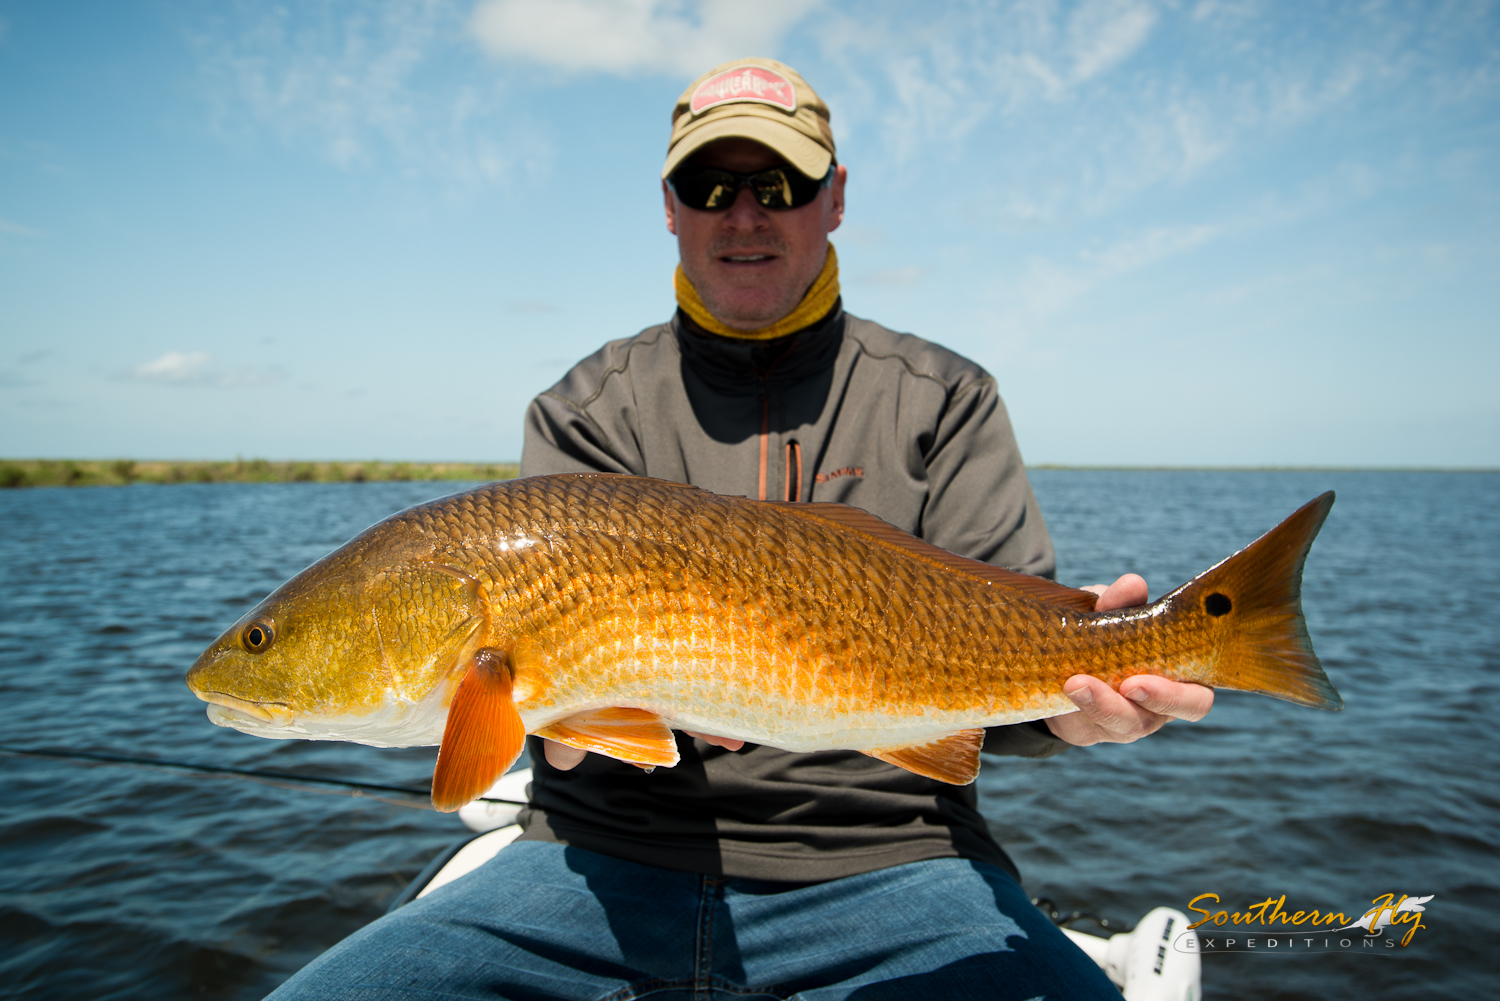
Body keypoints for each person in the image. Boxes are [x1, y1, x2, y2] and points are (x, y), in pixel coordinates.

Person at [268, 57, 1213, 1001]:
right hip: (594, 860)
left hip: (898, 858)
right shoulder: (585, 408)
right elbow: (538, 717)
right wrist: (557, 725)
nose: (744, 212)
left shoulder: (944, 399)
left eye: (781, 183)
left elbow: (1007, 691)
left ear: (836, 197)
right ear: (670, 207)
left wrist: (1074, 707)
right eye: (708, 185)